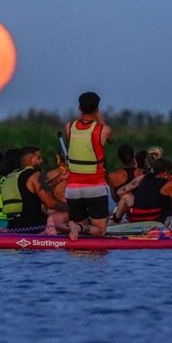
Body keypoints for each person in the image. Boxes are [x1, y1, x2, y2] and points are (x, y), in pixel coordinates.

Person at [64, 92, 114, 240]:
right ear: (97, 109)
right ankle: (79, 228)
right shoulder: (103, 130)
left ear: (79, 107)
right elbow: (111, 140)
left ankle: (77, 227)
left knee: (84, 233)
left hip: (73, 189)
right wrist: (98, 115)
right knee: (100, 231)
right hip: (95, 187)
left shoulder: (69, 127)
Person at [112, 158, 172, 231]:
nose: (171, 176)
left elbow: (121, 192)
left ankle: (115, 220)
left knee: (127, 197)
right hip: (157, 220)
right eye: (170, 173)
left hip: (135, 218)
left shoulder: (143, 178)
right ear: (165, 172)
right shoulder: (166, 184)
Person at [1, 147, 59, 233]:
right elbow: (51, 203)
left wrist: (58, 179)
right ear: (29, 159)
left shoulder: (10, 176)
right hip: (34, 227)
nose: (41, 161)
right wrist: (69, 207)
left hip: (13, 227)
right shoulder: (35, 175)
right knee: (64, 216)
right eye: (38, 158)